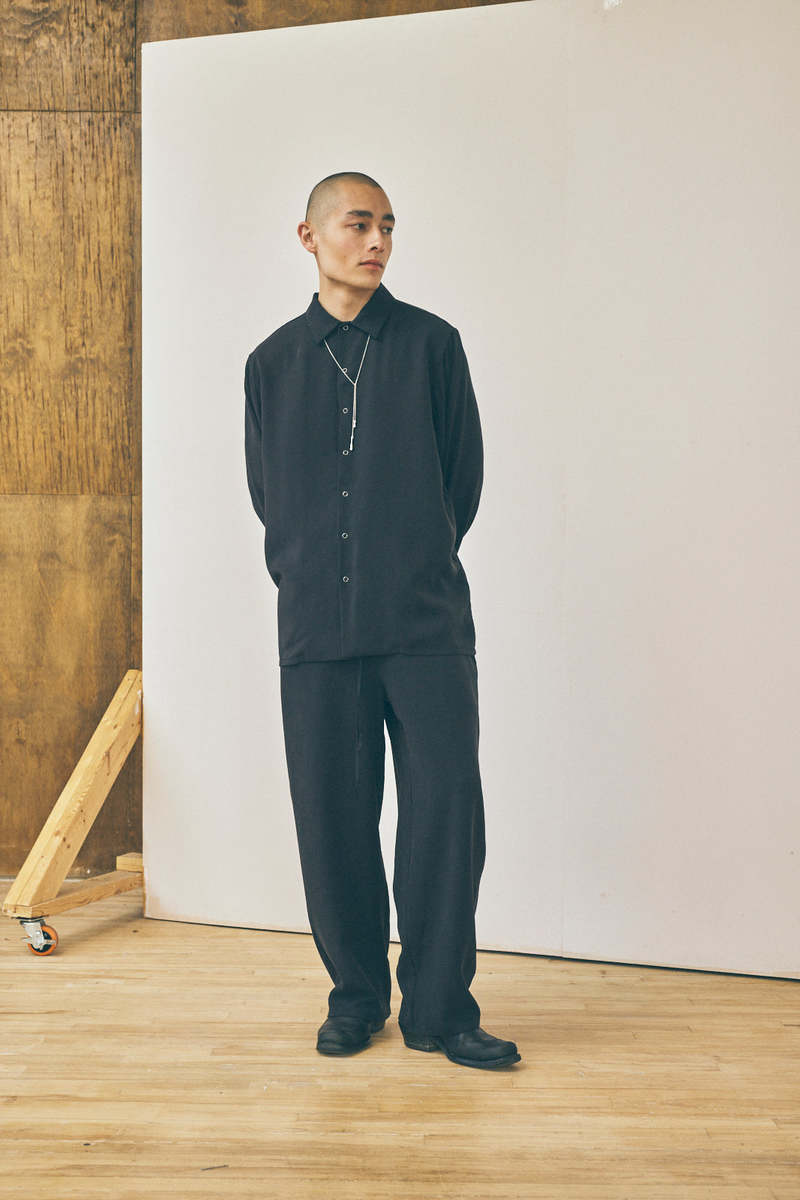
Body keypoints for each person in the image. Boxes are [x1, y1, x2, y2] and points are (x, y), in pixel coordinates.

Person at [244, 171, 520, 1071]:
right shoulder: (271, 364)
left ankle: (440, 1011)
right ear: (309, 236)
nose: (377, 242)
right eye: (359, 224)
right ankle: (356, 999)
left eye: (388, 228)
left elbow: (461, 480)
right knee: (332, 826)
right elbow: (269, 495)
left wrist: (411, 561)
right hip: (317, 634)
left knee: (444, 819)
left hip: (424, 628)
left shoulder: (434, 346)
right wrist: (309, 573)